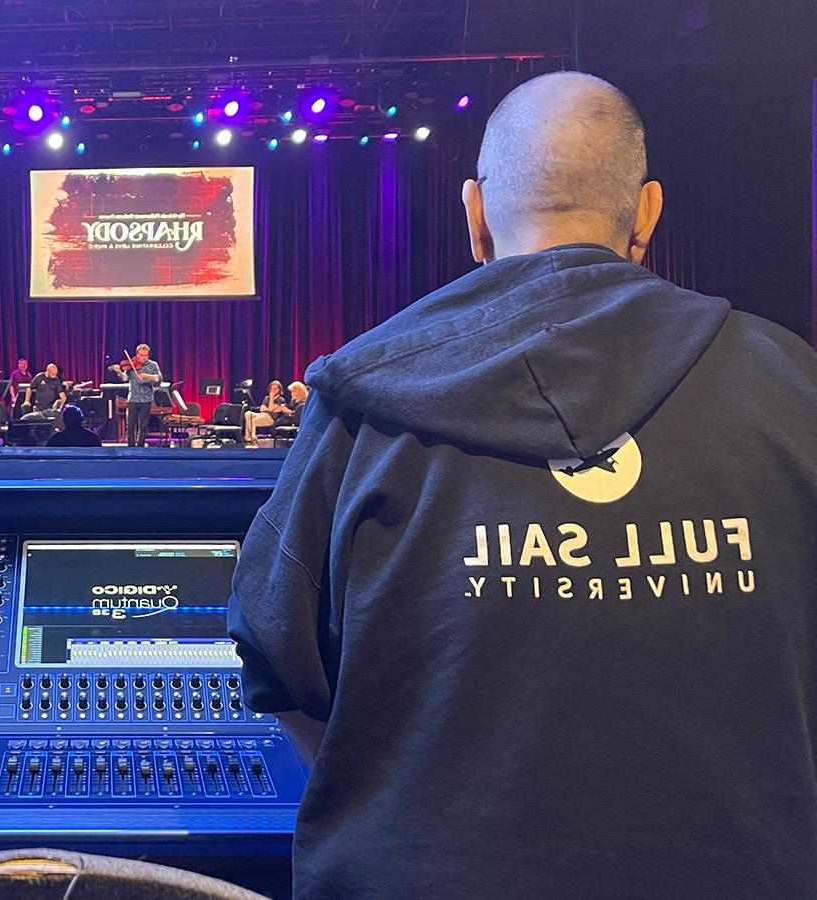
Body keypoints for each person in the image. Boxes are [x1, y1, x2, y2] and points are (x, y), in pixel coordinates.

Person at [229, 71, 817, 900]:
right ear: (647, 211)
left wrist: (413, 799)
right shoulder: (795, 386)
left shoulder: (357, 412)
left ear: (474, 215)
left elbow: (273, 653)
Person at [109, 344, 161, 448]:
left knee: (143, 426)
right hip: (133, 398)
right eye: (141, 355)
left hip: (146, 399)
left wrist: (147, 375)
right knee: (131, 425)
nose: (143, 358)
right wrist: (119, 371)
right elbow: (124, 378)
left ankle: (140, 447)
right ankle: (131, 448)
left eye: (145, 355)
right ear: (137, 355)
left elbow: (159, 378)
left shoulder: (153, 365)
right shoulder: (131, 365)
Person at [244, 380, 289, 444]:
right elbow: (261, 409)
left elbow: (270, 408)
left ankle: (252, 436)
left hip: (271, 418)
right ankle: (249, 437)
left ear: (279, 389)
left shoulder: (281, 400)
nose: (273, 390)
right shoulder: (266, 398)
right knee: (248, 414)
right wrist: (270, 408)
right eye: (271, 389)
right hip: (262, 415)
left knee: (253, 420)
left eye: (275, 389)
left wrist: (271, 398)